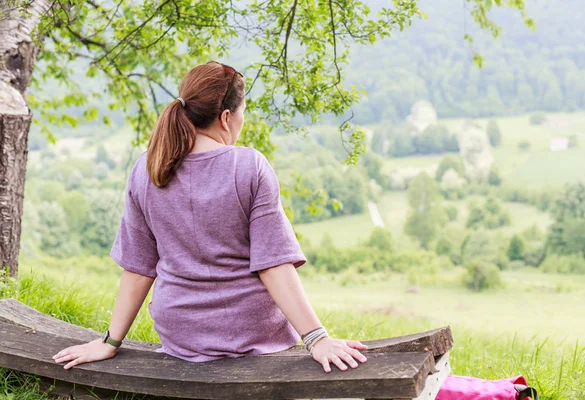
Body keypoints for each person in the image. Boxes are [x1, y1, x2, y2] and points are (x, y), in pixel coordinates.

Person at [51, 61, 369, 373]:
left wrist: (110, 341)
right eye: (243, 112)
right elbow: (274, 266)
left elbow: (138, 270)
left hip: (183, 337)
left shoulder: (147, 169)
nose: (243, 120)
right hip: (254, 334)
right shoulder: (249, 166)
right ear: (226, 117)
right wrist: (317, 339)